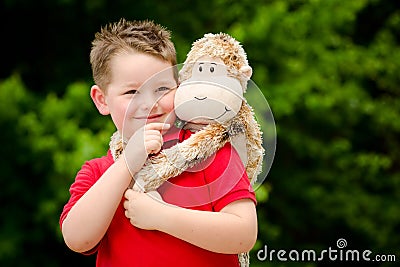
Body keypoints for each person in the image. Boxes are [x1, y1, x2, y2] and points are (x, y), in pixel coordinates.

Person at [60, 18, 257, 267]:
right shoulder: (99, 173)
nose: (149, 103)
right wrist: (128, 163)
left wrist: (160, 216)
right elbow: (78, 239)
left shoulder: (211, 153)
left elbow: (244, 234)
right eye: (131, 92)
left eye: (162, 88)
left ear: (180, 87)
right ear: (102, 100)